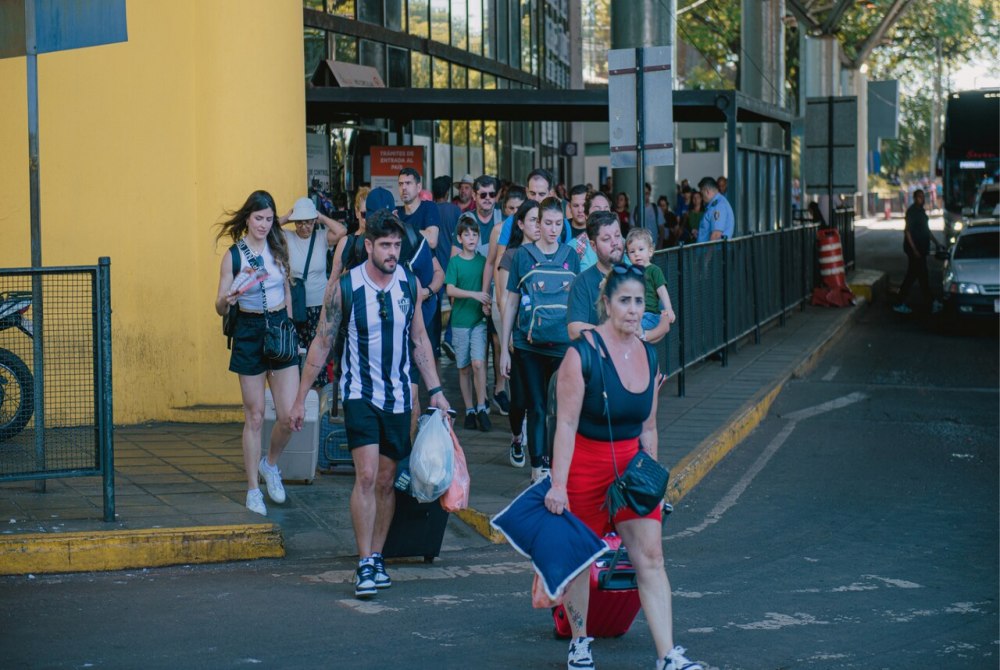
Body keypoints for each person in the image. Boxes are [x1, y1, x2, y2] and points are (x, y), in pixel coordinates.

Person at [544, 263, 704, 670]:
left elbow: (648, 427)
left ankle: (667, 655)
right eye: (625, 301)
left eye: (639, 302)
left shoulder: (649, 354)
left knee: (651, 556)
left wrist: (654, 483)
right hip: (585, 464)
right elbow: (565, 425)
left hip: (631, 467)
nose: (634, 310)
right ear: (607, 303)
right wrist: (558, 485)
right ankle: (580, 642)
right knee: (581, 560)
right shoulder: (580, 355)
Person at [289, 209, 452, 599]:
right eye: (385, 245)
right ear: (368, 246)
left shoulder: (409, 284)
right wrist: (300, 397)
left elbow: (420, 340)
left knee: (385, 481)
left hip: (398, 397)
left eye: (396, 245)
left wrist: (436, 390)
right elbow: (322, 343)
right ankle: (364, 561)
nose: (393, 252)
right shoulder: (346, 288)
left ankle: (377, 556)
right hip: (359, 394)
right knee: (365, 476)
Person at [214, 190, 297, 517]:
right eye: (258, 218)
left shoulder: (278, 247)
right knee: (256, 415)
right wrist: (228, 300)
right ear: (247, 218)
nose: (263, 224)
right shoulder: (234, 256)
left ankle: (270, 464)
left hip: (279, 327)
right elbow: (219, 306)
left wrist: (290, 326)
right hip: (248, 331)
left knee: (289, 416)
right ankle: (252, 488)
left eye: (268, 218)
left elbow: (287, 290)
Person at [499, 196, 580, 482]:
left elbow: (576, 302)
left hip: (562, 344)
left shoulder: (571, 255)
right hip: (527, 344)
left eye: (558, 224)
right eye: (548, 223)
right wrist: (504, 348)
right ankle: (537, 470)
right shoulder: (522, 255)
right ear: (538, 223)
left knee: (557, 408)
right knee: (536, 406)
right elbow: (511, 302)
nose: (553, 229)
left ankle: (553, 463)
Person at [567, 210, 671, 344]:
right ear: (593, 245)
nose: (615, 242)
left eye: (617, 236)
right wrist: (617, 334)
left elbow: (665, 320)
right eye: (606, 239)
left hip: (640, 355)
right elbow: (574, 329)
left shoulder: (637, 274)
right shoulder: (582, 281)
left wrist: (644, 335)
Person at [496, 199, 542, 468]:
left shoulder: (551, 253)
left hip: (546, 338)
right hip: (519, 337)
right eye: (533, 220)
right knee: (519, 400)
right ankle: (516, 437)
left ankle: (539, 457)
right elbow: (504, 300)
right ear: (521, 224)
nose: (538, 225)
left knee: (539, 401)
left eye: (541, 220)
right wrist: (507, 338)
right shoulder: (512, 255)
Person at [282, 197, 345, 388]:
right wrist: (288, 216)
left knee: (318, 353)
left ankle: (318, 397)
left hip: (320, 306)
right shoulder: (287, 237)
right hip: (296, 306)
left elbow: (342, 231)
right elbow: (269, 228)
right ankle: (296, 395)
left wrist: (321, 217)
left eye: (308, 222)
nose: (304, 227)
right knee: (295, 352)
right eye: (300, 222)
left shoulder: (321, 237)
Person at [446, 217, 492, 432]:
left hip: (478, 321)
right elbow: (450, 289)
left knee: (478, 363)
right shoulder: (455, 262)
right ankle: (470, 409)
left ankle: (482, 406)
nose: (471, 238)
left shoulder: (483, 262)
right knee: (463, 367)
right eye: (467, 234)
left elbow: (488, 289)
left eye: (475, 234)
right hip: (459, 321)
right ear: (459, 238)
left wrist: (487, 304)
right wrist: (475, 295)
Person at [893, 189, 943, 315]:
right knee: (918, 276)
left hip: (922, 249)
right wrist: (914, 249)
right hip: (915, 251)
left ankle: (928, 302)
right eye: (919, 197)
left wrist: (936, 243)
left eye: (923, 197)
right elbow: (907, 231)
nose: (922, 199)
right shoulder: (912, 212)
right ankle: (928, 302)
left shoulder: (921, 211)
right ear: (915, 198)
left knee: (918, 276)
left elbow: (926, 230)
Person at [625, 227, 676, 332]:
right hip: (633, 314)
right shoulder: (629, 272)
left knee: (633, 328)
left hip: (649, 314)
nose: (636, 254)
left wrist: (669, 309)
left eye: (641, 249)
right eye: (632, 251)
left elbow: (662, 291)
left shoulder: (654, 270)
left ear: (650, 251)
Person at [567, 184, 598, 271]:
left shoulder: (597, 230)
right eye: (576, 206)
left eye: (584, 205)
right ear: (569, 207)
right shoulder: (560, 228)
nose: (580, 210)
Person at [696, 177, 735, 243]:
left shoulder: (718, 206)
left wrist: (708, 251)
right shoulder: (714, 204)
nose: (702, 198)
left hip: (712, 249)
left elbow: (716, 235)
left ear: (707, 191)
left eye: (702, 194)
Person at [632, 182, 664, 248]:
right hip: (640, 249)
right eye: (642, 193)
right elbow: (632, 233)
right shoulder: (634, 211)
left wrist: (659, 247)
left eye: (646, 193)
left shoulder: (657, 210)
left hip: (655, 248)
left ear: (649, 194)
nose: (644, 196)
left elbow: (662, 231)